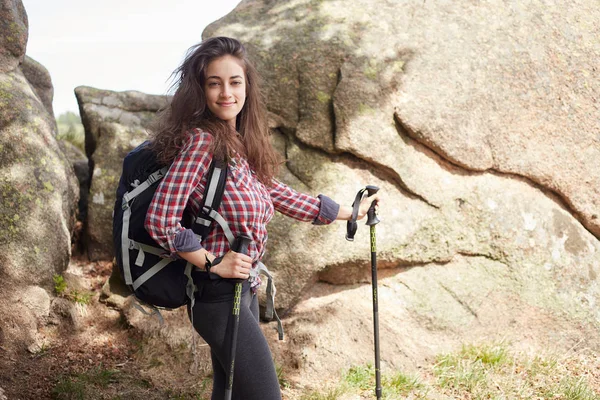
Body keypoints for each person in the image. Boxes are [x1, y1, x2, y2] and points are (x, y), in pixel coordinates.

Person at [145, 36, 380, 400]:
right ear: (201, 90)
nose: (226, 92)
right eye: (214, 83)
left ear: (246, 86)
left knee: (232, 394)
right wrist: (213, 263)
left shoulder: (235, 142)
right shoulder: (201, 143)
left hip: (244, 291)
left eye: (234, 82)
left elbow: (276, 193)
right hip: (217, 296)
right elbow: (160, 219)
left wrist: (350, 212)